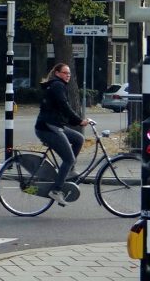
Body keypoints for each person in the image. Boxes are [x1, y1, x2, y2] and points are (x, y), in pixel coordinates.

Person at [35, 63, 90, 206]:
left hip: (54, 125)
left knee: (78, 139)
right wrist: (79, 121)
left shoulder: (57, 85)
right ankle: (56, 190)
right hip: (48, 128)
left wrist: (75, 121)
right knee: (69, 158)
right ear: (57, 73)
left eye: (69, 74)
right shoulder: (57, 86)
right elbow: (64, 106)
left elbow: (61, 109)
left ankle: (69, 171)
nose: (68, 76)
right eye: (65, 73)